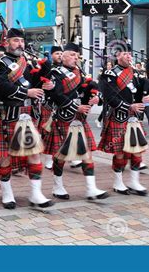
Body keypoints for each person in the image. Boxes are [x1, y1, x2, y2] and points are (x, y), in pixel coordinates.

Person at [0, 28, 53, 210]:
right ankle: (7, 194)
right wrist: (25, 92)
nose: (20, 44)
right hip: (7, 115)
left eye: (21, 41)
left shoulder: (27, 63)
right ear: (7, 43)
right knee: (5, 157)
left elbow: (36, 83)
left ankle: (36, 194)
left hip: (27, 115)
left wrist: (47, 81)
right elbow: (0, 86)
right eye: (15, 41)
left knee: (34, 153)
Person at [43, 43, 108, 200]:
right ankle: (58, 187)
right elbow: (56, 95)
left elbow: (90, 87)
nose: (75, 58)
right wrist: (76, 107)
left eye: (77, 56)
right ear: (63, 56)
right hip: (63, 118)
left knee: (86, 154)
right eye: (72, 55)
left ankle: (91, 188)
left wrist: (96, 97)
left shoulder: (80, 72)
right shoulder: (55, 73)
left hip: (79, 120)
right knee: (60, 156)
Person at [98, 42, 149, 196]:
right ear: (117, 56)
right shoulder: (109, 75)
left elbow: (141, 93)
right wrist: (129, 107)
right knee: (120, 152)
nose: (129, 56)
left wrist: (148, 97)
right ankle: (118, 182)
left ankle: (134, 182)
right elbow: (111, 98)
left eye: (130, 54)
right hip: (119, 116)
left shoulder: (135, 73)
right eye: (125, 54)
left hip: (134, 119)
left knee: (137, 151)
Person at [39, 45, 63, 170]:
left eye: (61, 53)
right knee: (47, 132)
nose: (59, 55)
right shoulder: (48, 68)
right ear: (52, 55)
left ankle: (70, 155)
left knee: (63, 131)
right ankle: (48, 158)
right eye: (57, 53)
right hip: (49, 104)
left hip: (62, 104)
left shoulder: (66, 69)